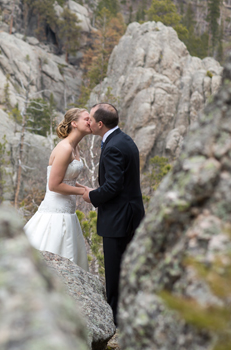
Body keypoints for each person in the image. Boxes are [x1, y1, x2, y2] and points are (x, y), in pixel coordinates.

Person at [78, 103, 144, 325]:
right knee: (128, 269)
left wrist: (92, 196)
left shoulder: (114, 146)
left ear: (99, 124)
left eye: (91, 119)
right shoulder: (124, 139)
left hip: (119, 219)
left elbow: (113, 186)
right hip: (131, 215)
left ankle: (116, 321)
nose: (88, 122)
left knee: (115, 272)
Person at [24, 108, 92, 271]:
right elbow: (54, 185)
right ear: (74, 123)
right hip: (54, 215)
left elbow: (66, 180)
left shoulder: (75, 148)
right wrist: (82, 193)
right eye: (87, 119)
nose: (91, 121)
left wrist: (85, 188)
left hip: (68, 214)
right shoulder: (65, 148)